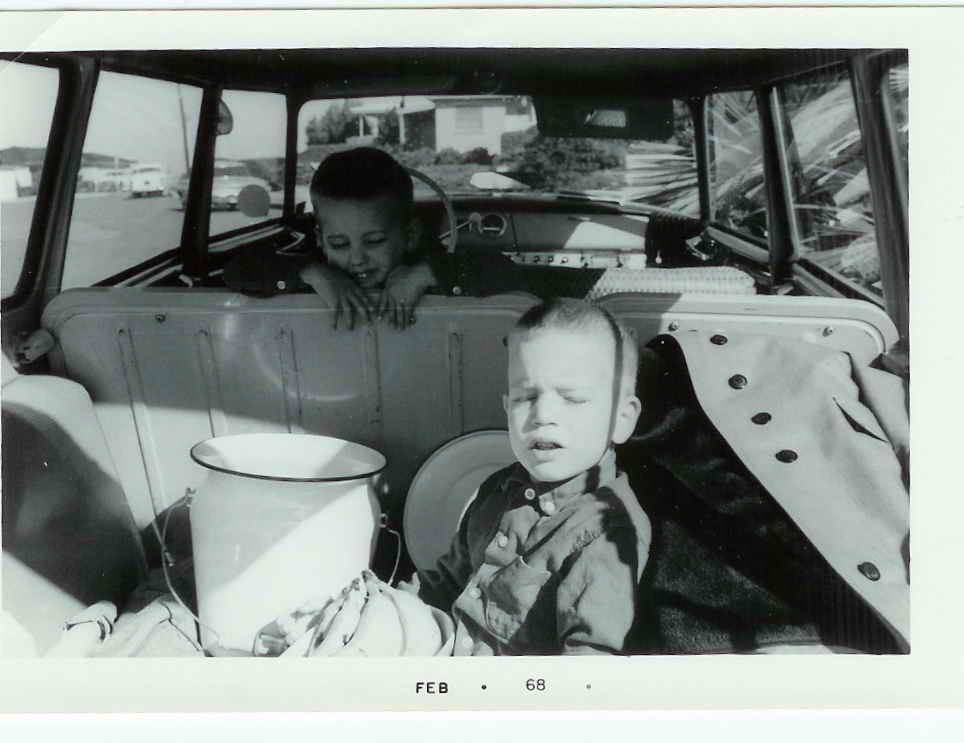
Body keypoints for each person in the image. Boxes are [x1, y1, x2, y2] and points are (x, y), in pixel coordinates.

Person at [412, 298, 651, 655]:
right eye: (526, 397)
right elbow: (447, 583)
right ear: (506, 407)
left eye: (572, 398)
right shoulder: (497, 489)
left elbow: (588, 666)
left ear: (622, 419)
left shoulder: (607, 532)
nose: (543, 415)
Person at [222, 147, 603, 327]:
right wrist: (311, 272)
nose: (356, 258)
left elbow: (517, 277)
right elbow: (237, 271)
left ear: (409, 235)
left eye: (374, 242)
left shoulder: (432, 260)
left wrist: (428, 273)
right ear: (321, 239)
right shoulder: (316, 263)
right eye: (339, 244)